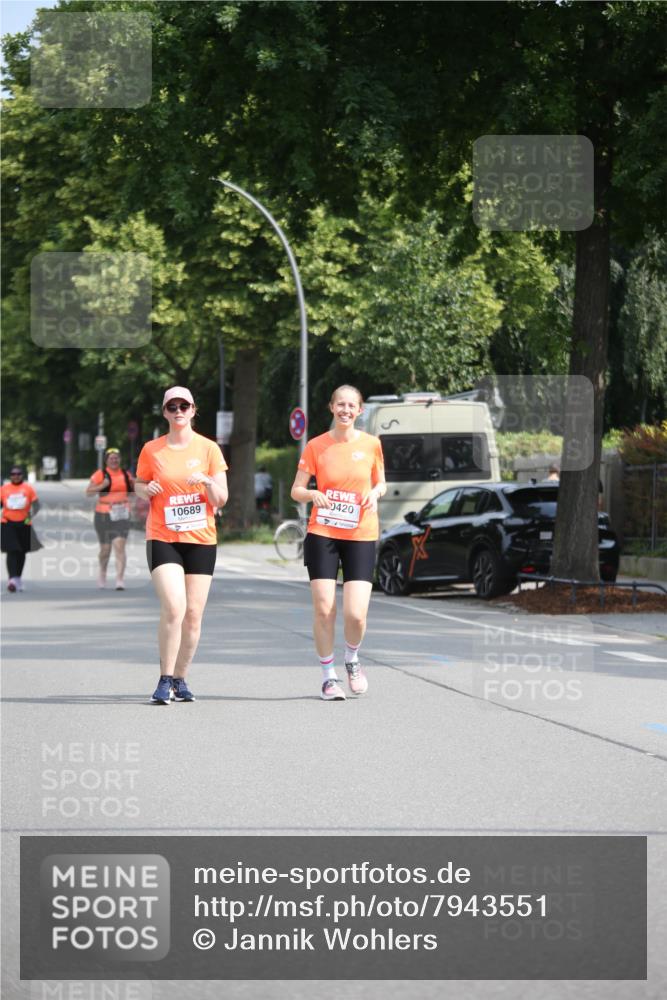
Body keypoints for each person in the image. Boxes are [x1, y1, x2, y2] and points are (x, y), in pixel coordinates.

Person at [290, 385, 386, 701]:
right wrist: (312, 494)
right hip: (324, 533)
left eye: (351, 405)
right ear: (331, 407)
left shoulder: (372, 445)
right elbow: (296, 490)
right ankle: (329, 676)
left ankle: (352, 658)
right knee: (324, 608)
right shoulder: (316, 446)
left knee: (356, 614)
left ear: (359, 411)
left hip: (360, 533)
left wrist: (375, 493)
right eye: (340, 404)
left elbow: (381, 482)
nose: (345, 410)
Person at [134, 386, 228, 705]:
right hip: (163, 536)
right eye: (171, 407)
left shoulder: (209, 449)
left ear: (193, 410)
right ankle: (163, 680)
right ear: (164, 412)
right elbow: (139, 484)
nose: (178, 411)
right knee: (175, 606)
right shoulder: (152, 450)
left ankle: (180, 678)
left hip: (201, 540)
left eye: (183, 406)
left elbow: (221, 499)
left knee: (193, 614)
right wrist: (146, 489)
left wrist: (207, 481)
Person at [86, 448, 135, 590]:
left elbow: (133, 490)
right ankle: (102, 572)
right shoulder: (100, 474)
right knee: (105, 549)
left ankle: (120, 579)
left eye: (117, 458)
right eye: (111, 458)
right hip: (103, 514)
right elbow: (88, 493)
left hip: (122, 514)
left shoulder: (126, 474)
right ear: (106, 460)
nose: (114, 460)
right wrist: (102, 485)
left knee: (120, 546)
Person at [1, 465, 40, 592]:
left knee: (21, 552)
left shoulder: (28, 489)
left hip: (24, 523)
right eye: (13, 474)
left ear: (22, 475)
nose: (16, 476)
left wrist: (30, 517)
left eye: (18, 474)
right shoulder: (4, 489)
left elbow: (36, 505)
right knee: (12, 550)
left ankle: (18, 578)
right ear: (10, 476)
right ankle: (12, 579)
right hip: (8, 523)